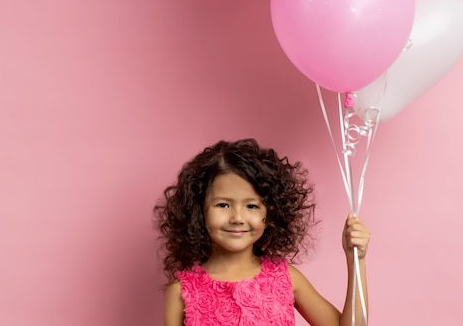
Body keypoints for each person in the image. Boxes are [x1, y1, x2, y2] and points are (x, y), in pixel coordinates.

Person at [153, 138, 370, 326]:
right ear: (198, 210)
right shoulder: (181, 292)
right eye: (223, 205)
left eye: (252, 206)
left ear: (271, 214)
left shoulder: (287, 278)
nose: (237, 218)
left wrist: (356, 261)